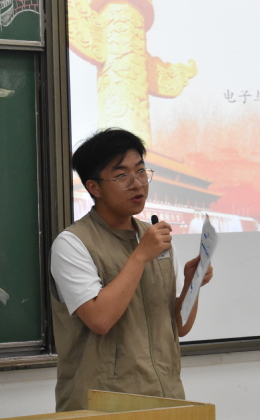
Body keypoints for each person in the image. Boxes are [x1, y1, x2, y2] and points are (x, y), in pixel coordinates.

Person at [50, 128, 214, 412]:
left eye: (140, 171)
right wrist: (140, 256)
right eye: (121, 175)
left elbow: (179, 326)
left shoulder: (155, 238)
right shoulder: (72, 243)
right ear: (94, 187)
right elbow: (100, 319)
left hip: (166, 400)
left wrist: (192, 283)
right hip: (103, 405)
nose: (137, 183)